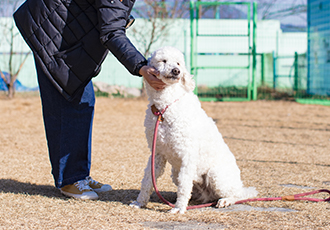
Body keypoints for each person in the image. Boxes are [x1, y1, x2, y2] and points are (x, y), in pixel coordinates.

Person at [13, 0, 165, 200]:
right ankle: (70, 179)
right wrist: (140, 67)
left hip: (65, 31)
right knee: (70, 103)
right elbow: (111, 32)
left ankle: (80, 175)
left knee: (84, 102)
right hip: (51, 32)